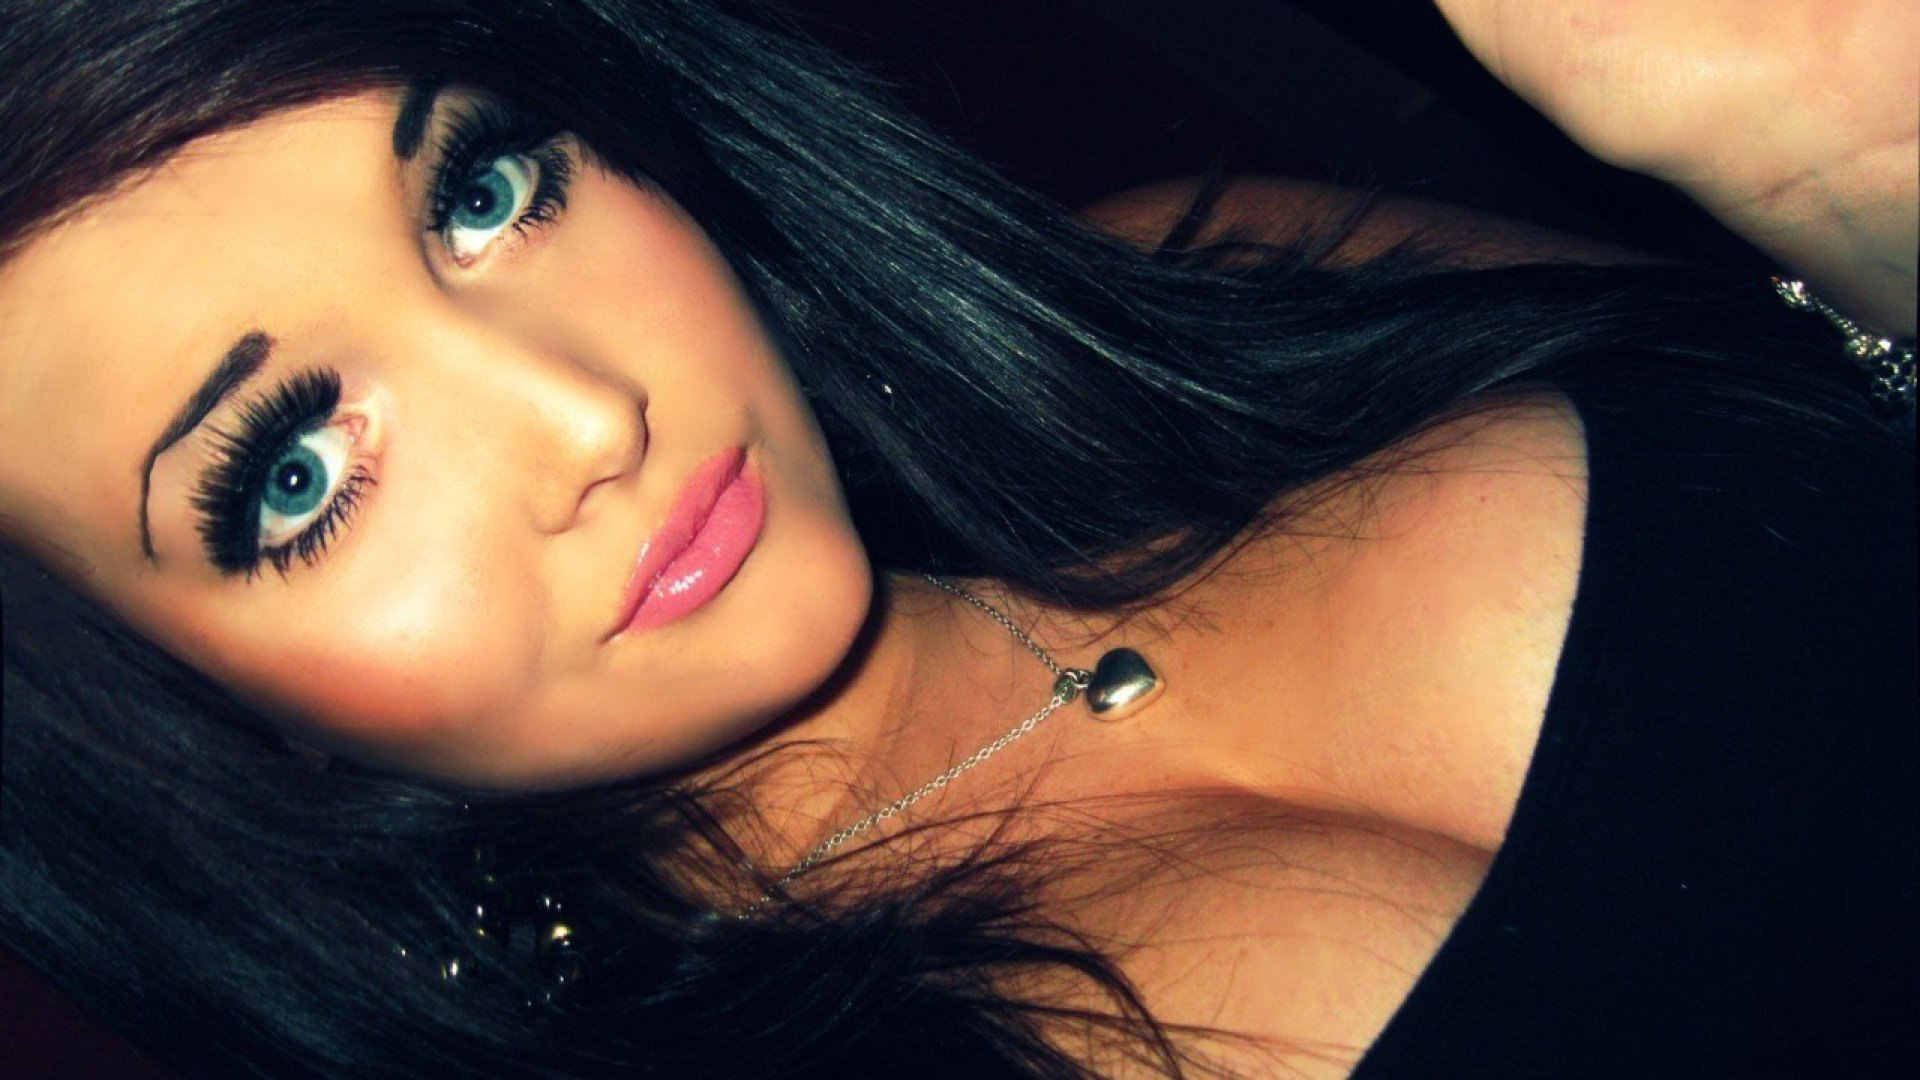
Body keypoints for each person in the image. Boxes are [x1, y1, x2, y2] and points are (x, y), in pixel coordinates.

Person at [1, 1, 1912, 1076]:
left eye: (482, 190)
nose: (589, 418)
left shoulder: (1194, 284)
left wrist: (1845, 173)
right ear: (177, 729)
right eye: (293, 472)